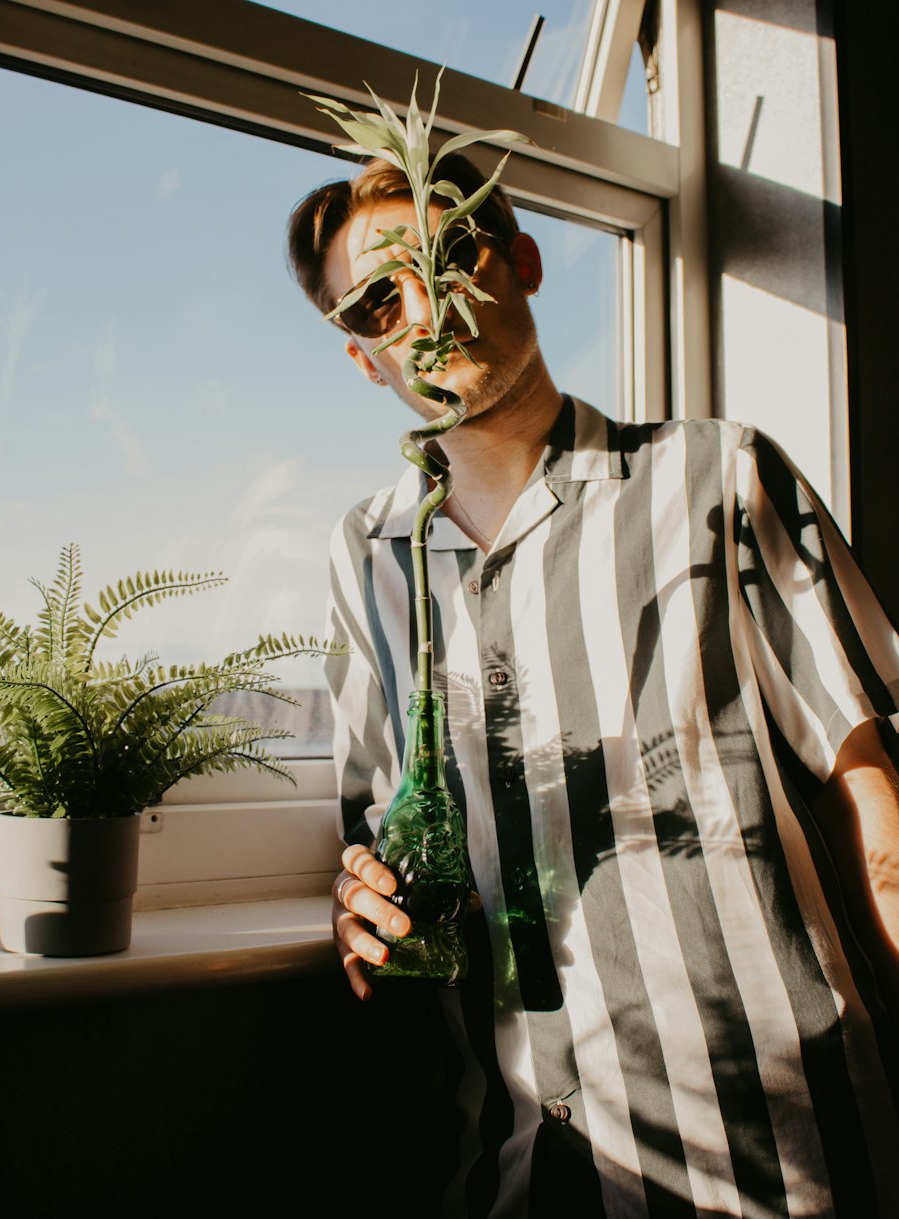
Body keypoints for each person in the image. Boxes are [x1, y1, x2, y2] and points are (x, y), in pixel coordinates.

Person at [287, 153, 899, 1217]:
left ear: (520, 261)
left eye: (454, 255)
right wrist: (361, 899)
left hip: (780, 1158)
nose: (426, 308)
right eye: (382, 297)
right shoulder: (365, 554)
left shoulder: (715, 478)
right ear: (361, 355)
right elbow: (388, 829)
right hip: (513, 1166)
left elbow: (875, 809)